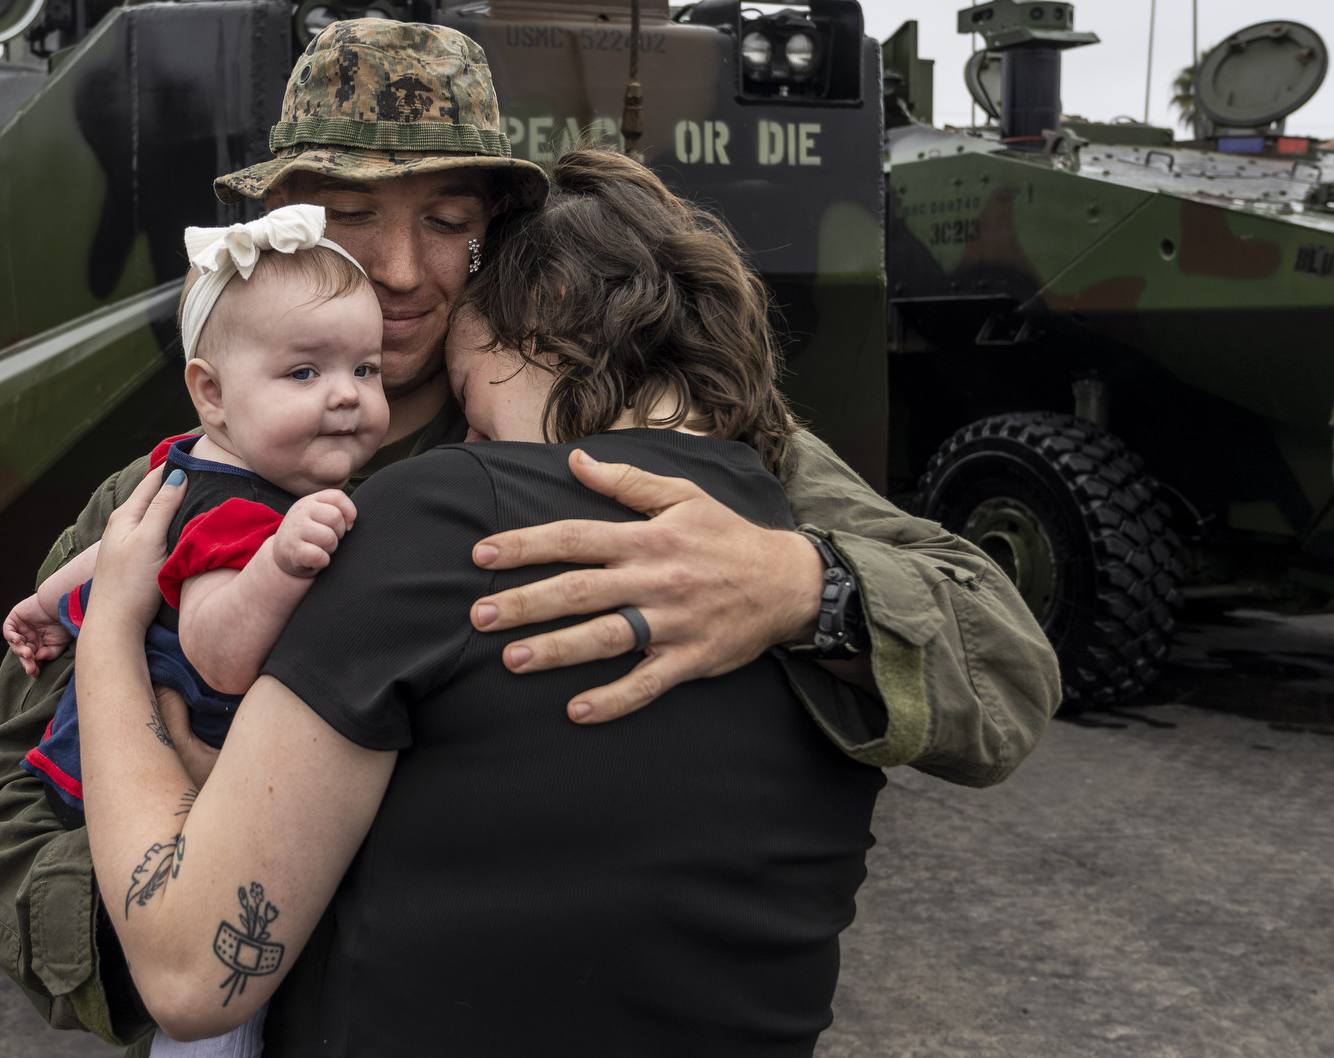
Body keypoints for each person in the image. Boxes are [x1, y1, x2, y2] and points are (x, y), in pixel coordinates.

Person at [0, 19, 1060, 1054]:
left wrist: (801, 583)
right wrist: (239, 886)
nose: (406, 270)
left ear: (495, 242)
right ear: (285, 232)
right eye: (355, 220)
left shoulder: (660, 435)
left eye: (448, 222)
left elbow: (1002, 666)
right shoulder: (176, 491)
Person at [76, 149, 963, 1054]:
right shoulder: (820, 568)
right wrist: (809, 586)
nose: (463, 430)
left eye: (466, 390)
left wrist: (107, 628)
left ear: (546, 317)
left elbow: (191, 972)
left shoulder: (434, 516)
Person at [5, 208, 386, 830]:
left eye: (365, 369)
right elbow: (217, 654)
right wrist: (280, 562)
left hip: (107, 771)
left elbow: (125, 546)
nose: (347, 394)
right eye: (304, 372)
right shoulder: (244, 515)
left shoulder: (184, 470)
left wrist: (47, 602)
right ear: (212, 394)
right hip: (151, 793)